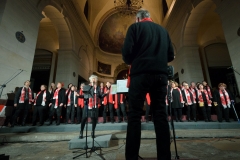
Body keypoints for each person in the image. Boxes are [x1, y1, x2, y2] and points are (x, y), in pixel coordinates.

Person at [122, 9, 174, 160]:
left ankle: (131, 157)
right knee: (160, 115)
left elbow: (126, 54)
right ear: (149, 17)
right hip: (160, 76)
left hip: (140, 75)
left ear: (138, 19)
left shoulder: (135, 28)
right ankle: (164, 157)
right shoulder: (163, 31)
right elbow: (170, 55)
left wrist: (137, 58)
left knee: (134, 116)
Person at [78, 75, 108, 139]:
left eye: (95, 79)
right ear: (90, 80)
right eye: (92, 79)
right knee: (84, 119)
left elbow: (100, 96)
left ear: (96, 80)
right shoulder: (87, 87)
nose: (94, 80)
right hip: (87, 105)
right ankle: (81, 132)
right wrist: (79, 95)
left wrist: (105, 93)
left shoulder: (98, 88)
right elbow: (84, 96)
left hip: (95, 105)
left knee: (94, 119)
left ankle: (93, 131)